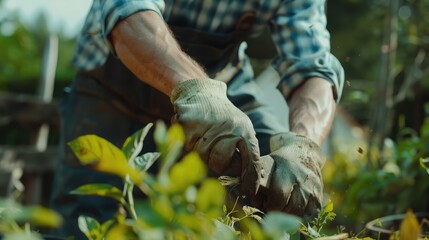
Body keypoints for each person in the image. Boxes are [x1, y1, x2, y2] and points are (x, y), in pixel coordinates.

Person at [50, 0, 344, 238]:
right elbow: (128, 15)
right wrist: (198, 91)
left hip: (225, 87)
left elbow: (312, 67)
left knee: (277, 182)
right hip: (112, 93)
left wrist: (304, 146)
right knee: (89, 223)